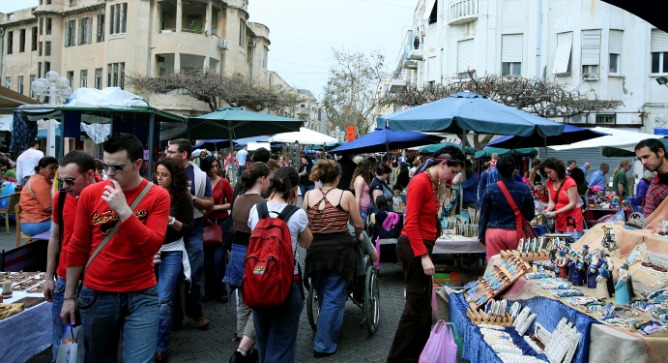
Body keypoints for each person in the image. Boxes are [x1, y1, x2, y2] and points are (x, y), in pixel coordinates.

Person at [61, 133, 170, 362]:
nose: (109, 173)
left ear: (138, 164)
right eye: (105, 166)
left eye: (117, 168)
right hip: (97, 293)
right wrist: (69, 297)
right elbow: (77, 246)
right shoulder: (90, 193)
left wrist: (124, 210)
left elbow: (151, 246)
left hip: (141, 294)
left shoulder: (157, 196)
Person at [387, 146, 464, 362]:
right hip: (413, 248)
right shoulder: (420, 182)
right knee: (415, 310)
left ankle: (417, 355)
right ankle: (398, 358)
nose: (453, 177)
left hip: (420, 246)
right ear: (442, 164)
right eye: (452, 171)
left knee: (422, 312)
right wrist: (423, 256)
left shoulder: (432, 182)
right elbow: (410, 224)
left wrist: (445, 184)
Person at [248, 167, 313, 362]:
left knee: (264, 340)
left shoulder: (256, 210)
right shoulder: (297, 214)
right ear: (294, 189)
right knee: (282, 342)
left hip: (259, 280)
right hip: (286, 282)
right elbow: (307, 243)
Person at [304, 159, 367, 358]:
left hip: (316, 250)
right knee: (333, 298)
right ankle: (323, 344)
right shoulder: (345, 195)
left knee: (323, 294)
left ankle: (328, 329)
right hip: (339, 250)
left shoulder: (308, 195)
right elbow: (358, 224)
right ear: (338, 177)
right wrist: (357, 235)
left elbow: (304, 223)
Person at [43, 151, 98, 361]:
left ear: (90, 175)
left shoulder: (107, 196)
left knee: (93, 341)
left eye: (69, 180)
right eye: (60, 180)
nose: (64, 185)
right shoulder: (62, 197)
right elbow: (55, 236)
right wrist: (49, 277)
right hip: (65, 277)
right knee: (61, 339)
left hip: (94, 279)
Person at [166, 138, 213, 330]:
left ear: (183, 154)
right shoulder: (163, 172)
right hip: (170, 231)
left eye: (171, 152)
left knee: (193, 274)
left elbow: (210, 203)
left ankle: (195, 312)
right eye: (167, 151)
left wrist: (191, 198)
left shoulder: (200, 176)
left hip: (193, 228)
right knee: (173, 274)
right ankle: (175, 316)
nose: (167, 154)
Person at [226, 162, 270, 362]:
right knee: (258, 299)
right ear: (262, 179)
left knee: (243, 296)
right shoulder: (262, 204)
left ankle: (240, 332)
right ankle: (248, 343)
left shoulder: (238, 199)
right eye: (268, 179)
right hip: (253, 254)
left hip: (237, 250)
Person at [153, 158, 194, 363]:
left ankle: (161, 346)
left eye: (164, 175)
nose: (159, 178)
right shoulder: (150, 193)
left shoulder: (182, 197)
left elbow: (188, 228)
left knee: (163, 300)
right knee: (148, 298)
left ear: (174, 177)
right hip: (150, 252)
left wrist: (171, 221)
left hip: (172, 250)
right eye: (158, 174)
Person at [479, 154, 534, 260]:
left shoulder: (490, 189)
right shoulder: (524, 188)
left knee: (495, 268)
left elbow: (483, 215)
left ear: (498, 170)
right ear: (514, 170)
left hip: (494, 233)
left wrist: (481, 236)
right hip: (516, 232)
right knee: (516, 270)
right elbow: (530, 215)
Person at [201, 156, 233, 303]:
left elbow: (232, 203)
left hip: (221, 224)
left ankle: (221, 289)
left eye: (216, 166)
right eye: (211, 166)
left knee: (218, 260)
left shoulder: (223, 182)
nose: (214, 169)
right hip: (205, 223)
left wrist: (215, 207)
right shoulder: (201, 181)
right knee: (207, 261)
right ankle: (209, 290)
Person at [542, 158, 585, 239]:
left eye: (550, 172)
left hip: (572, 221)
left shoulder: (569, 182)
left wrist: (555, 212)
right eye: (546, 173)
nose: (548, 175)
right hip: (559, 220)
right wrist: (547, 210)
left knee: (571, 245)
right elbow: (552, 202)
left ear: (557, 169)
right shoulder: (549, 183)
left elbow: (573, 203)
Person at [19, 156, 58, 236]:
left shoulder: (36, 178)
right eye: (51, 168)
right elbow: (48, 207)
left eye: (56, 168)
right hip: (36, 223)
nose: (54, 171)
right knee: (69, 225)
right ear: (41, 169)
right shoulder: (40, 182)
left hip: (29, 223)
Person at [635, 138, 668, 216]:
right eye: (640, 159)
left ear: (660, 152)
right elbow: (647, 219)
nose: (643, 162)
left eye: (646, 157)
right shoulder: (654, 189)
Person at [351, 158, 373, 226]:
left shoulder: (361, 178)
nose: (370, 170)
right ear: (365, 168)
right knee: (361, 229)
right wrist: (356, 213)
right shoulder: (360, 179)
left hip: (363, 209)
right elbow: (357, 197)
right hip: (361, 209)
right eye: (369, 168)